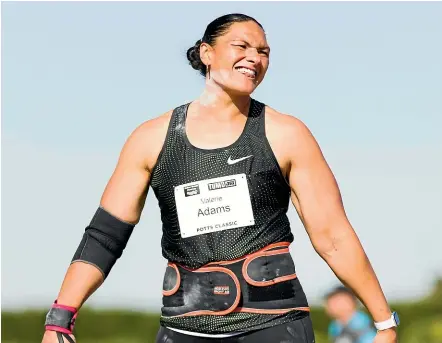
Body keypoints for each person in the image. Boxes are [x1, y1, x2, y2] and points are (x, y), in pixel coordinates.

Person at [41, 13, 400, 343]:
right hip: (183, 328)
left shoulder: (287, 134)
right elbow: (105, 236)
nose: (254, 58)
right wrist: (60, 318)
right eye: (241, 46)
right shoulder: (150, 139)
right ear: (207, 53)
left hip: (275, 324)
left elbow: (333, 237)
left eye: (263, 51)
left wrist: (384, 323)